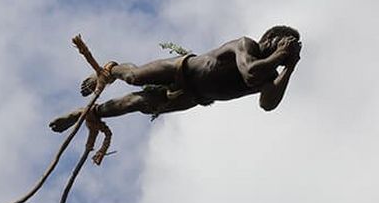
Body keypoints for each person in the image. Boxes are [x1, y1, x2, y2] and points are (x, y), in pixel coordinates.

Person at [49, 26, 301, 132]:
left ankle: (87, 113)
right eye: (281, 44)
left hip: (194, 96)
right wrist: (280, 53)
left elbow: (267, 104)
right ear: (269, 40)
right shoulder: (247, 45)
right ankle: (110, 71)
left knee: (137, 104)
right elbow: (249, 71)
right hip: (184, 69)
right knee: (134, 76)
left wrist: (290, 67)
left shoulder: (270, 75)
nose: (284, 51)